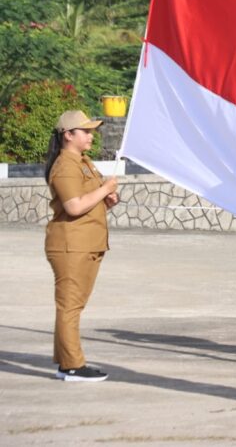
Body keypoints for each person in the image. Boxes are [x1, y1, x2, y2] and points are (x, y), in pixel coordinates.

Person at [44, 109, 119, 382]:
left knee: (72, 306)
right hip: (70, 245)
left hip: (86, 243)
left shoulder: (84, 162)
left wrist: (106, 199)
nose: (91, 135)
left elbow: (88, 204)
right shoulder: (65, 166)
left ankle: (66, 361)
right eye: (85, 131)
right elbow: (73, 206)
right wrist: (103, 189)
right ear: (68, 135)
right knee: (70, 306)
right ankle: (72, 366)